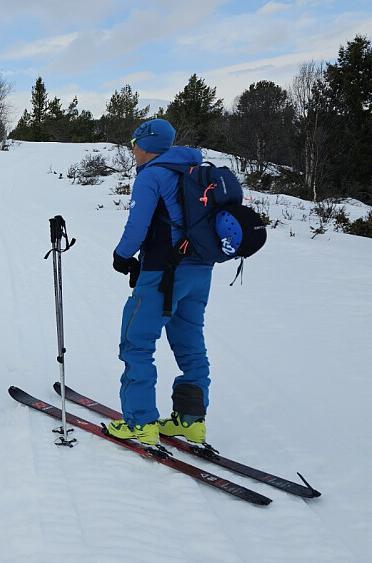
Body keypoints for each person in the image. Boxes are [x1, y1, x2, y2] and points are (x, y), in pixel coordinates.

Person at [107, 118, 211, 446]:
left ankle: (140, 423)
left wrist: (122, 256)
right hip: (200, 269)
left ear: (146, 145)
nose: (133, 150)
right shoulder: (193, 169)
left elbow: (137, 228)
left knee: (136, 342)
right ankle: (192, 420)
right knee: (190, 342)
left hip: (163, 271)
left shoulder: (151, 175)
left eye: (134, 144)